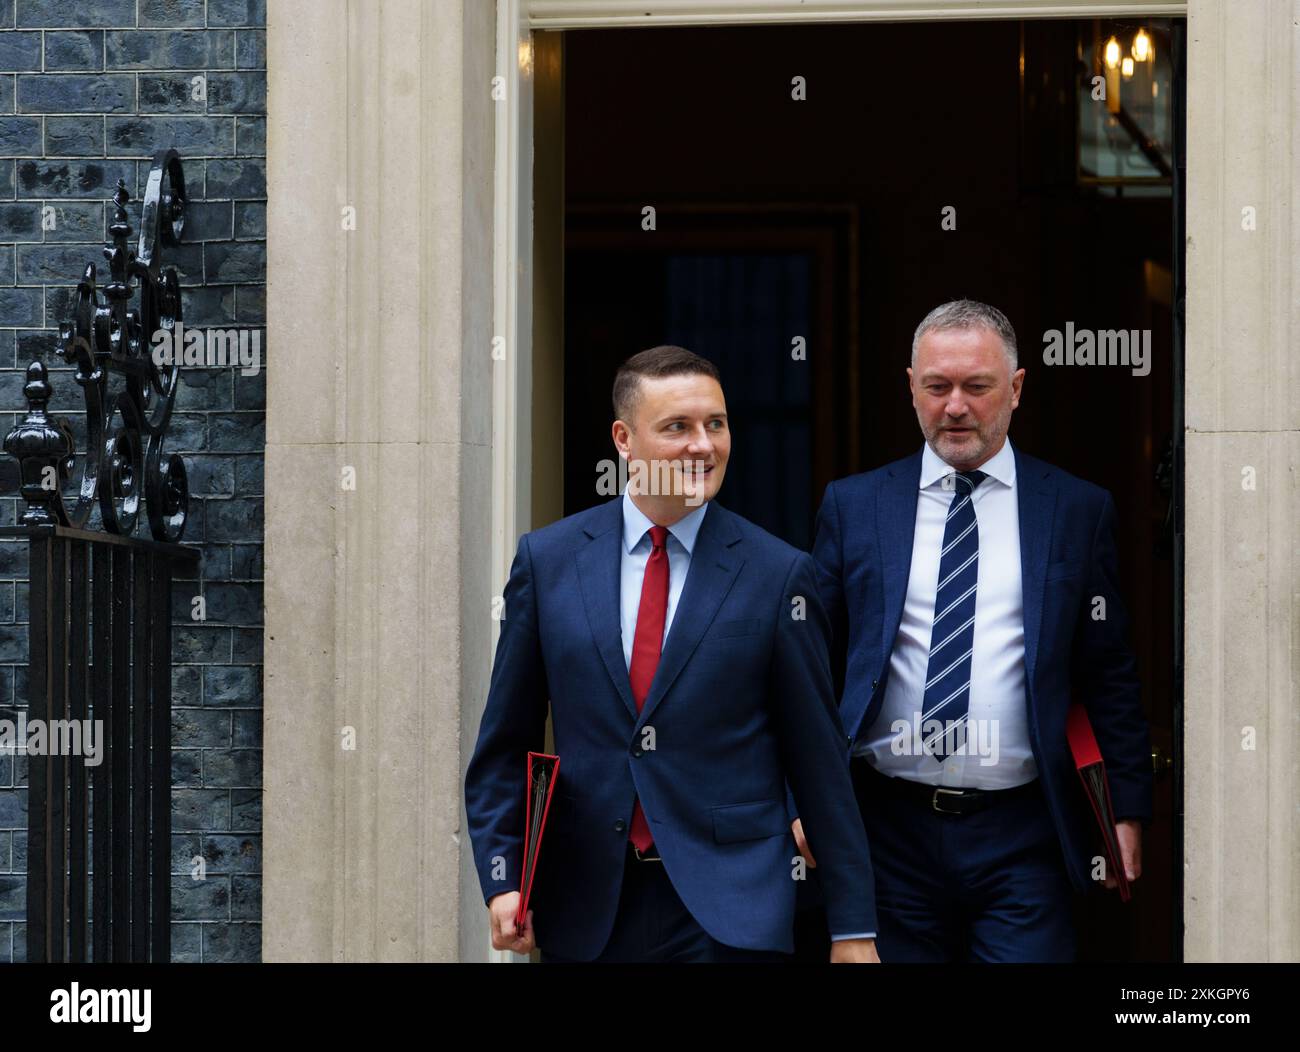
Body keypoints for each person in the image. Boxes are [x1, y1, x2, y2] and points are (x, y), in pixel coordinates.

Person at [464, 345, 878, 963]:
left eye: (716, 423)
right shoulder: (547, 562)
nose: (703, 445)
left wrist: (852, 929)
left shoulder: (779, 574)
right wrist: (505, 879)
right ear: (624, 438)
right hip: (587, 907)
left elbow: (818, 761)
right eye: (678, 427)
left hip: (731, 913)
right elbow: (505, 741)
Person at [811, 299, 1153, 962]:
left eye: (978, 386)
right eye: (937, 387)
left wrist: (1126, 808)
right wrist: (802, 797)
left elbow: (1108, 670)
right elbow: (812, 666)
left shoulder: (1077, 510)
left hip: (1025, 832)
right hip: (886, 828)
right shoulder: (853, 506)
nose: (956, 407)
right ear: (910, 386)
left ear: (1017, 389)